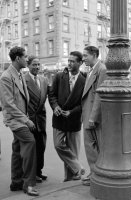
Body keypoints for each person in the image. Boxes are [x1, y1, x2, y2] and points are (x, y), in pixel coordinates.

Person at [0, 47, 39, 196]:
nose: (27, 59)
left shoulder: (20, 73)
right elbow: (8, 104)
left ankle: (16, 182)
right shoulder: (6, 77)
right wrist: (26, 120)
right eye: (25, 57)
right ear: (17, 58)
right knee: (30, 142)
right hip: (16, 120)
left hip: (20, 117)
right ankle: (28, 184)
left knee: (17, 149)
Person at [48, 51, 86, 182]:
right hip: (59, 118)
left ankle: (70, 179)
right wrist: (55, 107)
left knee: (73, 151)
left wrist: (72, 112)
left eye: (72, 61)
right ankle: (77, 166)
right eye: (68, 61)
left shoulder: (84, 79)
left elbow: (84, 102)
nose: (69, 63)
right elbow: (51, 95)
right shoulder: (59, 76)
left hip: (74, 120)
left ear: (80, 63)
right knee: (58, 145)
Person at [81, 46, 106, 186]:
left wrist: (93, 117)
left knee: (94, 146)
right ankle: (94, 172)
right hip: (87, 114)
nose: (83, 58)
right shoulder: (92, 70)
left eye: (85, 56)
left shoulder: (102, 69)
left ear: (94, 55)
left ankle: (97, 175)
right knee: (90, 146)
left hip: (93, 116)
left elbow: (99, 95)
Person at [25, 56, 49, 182]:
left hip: (41, 118)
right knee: (31, 148)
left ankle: (38, 171)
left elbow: (52, 96)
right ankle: (31, 173)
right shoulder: (23, 79)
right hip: (30, 119)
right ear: (28, 65)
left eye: (38, 64)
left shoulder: (44, 79)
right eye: (34, 64)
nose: (37, 67)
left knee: (41, 146)